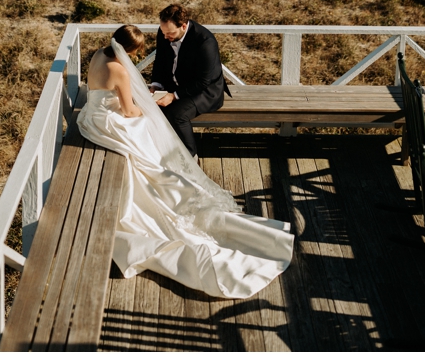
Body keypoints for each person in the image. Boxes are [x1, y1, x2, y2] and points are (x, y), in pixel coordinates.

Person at [78, 24, 295, 299]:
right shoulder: (120, 69)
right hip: (111, 122)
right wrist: (146, 109)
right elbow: (129, 110)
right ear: (130, 49)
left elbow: (102, 93)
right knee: (146, 130)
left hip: (92, 118)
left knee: (149, 135)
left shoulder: (99, 54)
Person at [149, 3, 228, 158]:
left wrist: (173, 96)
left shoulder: (205, 41)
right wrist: (156, 85)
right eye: (163, 32)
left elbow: (203, 81)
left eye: (169, 33)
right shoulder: (164, 31)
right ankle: (163, 149)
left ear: (183, 26)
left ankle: (190, 156)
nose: (165, 37)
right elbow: (160, 60)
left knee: (177, 114)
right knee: (153, 108)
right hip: (177, 83)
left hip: (206, 91)